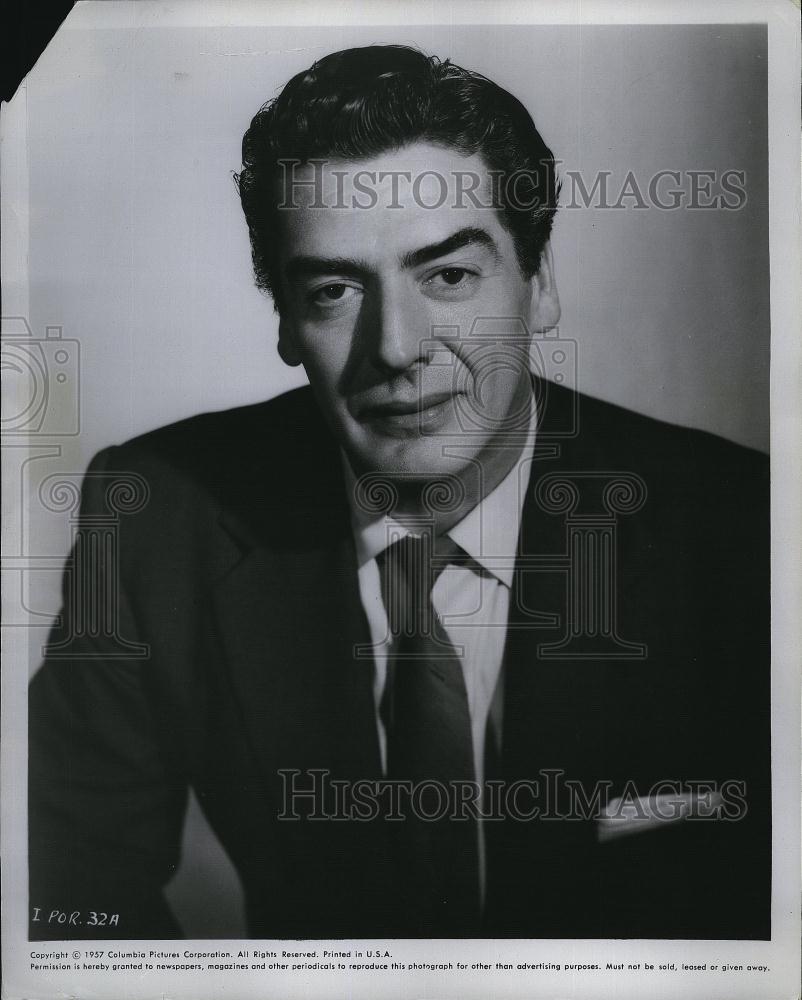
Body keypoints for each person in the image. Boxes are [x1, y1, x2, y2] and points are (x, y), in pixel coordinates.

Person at [29, 44, 770, 941]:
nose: (398, 348)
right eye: (336, 290)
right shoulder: (153, 516)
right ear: (286, 324)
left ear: (539, 288)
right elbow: (66, 895)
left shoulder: (748, 530)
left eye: (449, 276)